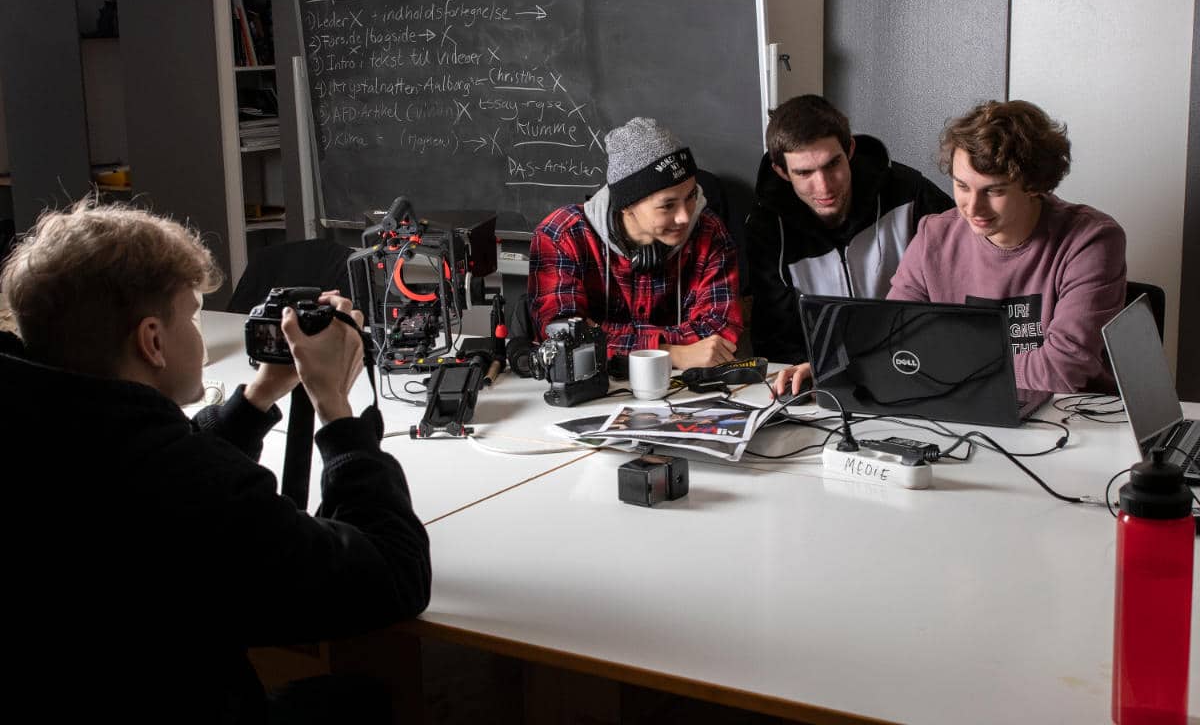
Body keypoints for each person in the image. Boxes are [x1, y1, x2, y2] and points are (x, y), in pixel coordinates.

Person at [1, 200, 431, 724]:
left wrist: (259, 396)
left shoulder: (53, 423)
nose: (200, 337)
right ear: (152, 341)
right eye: (193, 316)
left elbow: (156, 452)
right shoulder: (174, 488)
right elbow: (394, 576)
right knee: (361, 699)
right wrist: (336, 410)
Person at [776, 100, 1126, 396]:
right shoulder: (933, 235)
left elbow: (1060, 372)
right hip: (967, 410)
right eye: (962, 185)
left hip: (1072, 426)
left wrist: (940, 364)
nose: (972, 208)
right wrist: (834, 367)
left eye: (995, 191)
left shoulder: (1090, 241)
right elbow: (890, 343)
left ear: (1035, 184)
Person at [746, 94, 952, 364]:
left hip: (916, 362)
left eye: (832, 164)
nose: (824, 187)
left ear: (850, 150)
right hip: (823, 379)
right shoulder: (767, 229)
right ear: (782, 172)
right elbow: (777, 343)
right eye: (804, 173)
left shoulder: (910, 193)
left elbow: (964, 277)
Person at [528, 116, 742, 370]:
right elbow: (562, 340)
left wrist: (602, 338)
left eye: (691, 196)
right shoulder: (562, 235)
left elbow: (719, 335)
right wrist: (672, 354)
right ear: (627, 205)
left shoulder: (709, 231)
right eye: (667, 205)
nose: (685, 216)